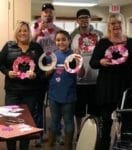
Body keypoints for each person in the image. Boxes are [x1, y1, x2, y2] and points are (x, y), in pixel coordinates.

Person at [89, 13, 132, 150]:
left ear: (123, 24)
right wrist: (101, 61)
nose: (116, 25)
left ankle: (124, 146)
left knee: (128, 121)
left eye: (119, 22)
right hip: (108, 87)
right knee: (106, 122)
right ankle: (103, 147)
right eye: (113, 23)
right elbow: (93, 62)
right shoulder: (103, 43)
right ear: (109, 26)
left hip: (127, 88)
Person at [0, 21, 44, 150]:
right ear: (16, 33)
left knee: (26, 124)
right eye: (20, 30)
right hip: (12, 91)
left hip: (31, 91)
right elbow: (0, 64)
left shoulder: (36, 47)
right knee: (11, 123)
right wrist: (8, 72)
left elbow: (43, 66)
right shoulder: (9, 46)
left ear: (29, 32)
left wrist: (35, 74)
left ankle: (24, 147)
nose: (23, 33)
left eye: (25, 30)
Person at [46, 30, 84, 150]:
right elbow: (46, 74)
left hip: (69, 95)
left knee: (68, 121)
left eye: (63, 39)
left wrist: (79, 62)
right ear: (55, 42)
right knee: (54, 120)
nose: (60, 42)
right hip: (53, 95)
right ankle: (50, 144)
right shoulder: (52, 55)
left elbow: (81, 74)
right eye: (58, 40)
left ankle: (68, 146)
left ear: (69, 40)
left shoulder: (74, 55)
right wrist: (50, 69)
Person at [31, 3, 61, 146]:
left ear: (53, 15)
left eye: (50, 12)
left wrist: (53, 66)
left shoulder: (58, 30)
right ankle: (38, 134)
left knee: (56, 103)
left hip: (53, 68)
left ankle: (57, 133)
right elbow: (27, 44)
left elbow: (61, 47)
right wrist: (37, 33)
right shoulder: (33, 27)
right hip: (38, 68)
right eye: (45, 12)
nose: (48, 14)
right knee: (38, 104)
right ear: (41, 14)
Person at [70, 8, 103, 139]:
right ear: (77, 20)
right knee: (78, 111)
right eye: (81, 18)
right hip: (79, 80)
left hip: (96, 79)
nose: (84, 20)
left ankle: (92, 134)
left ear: (90, 19)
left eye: (86, 17)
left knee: (95, 110)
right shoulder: (72, 35)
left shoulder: (99, 34)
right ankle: (79, 133)